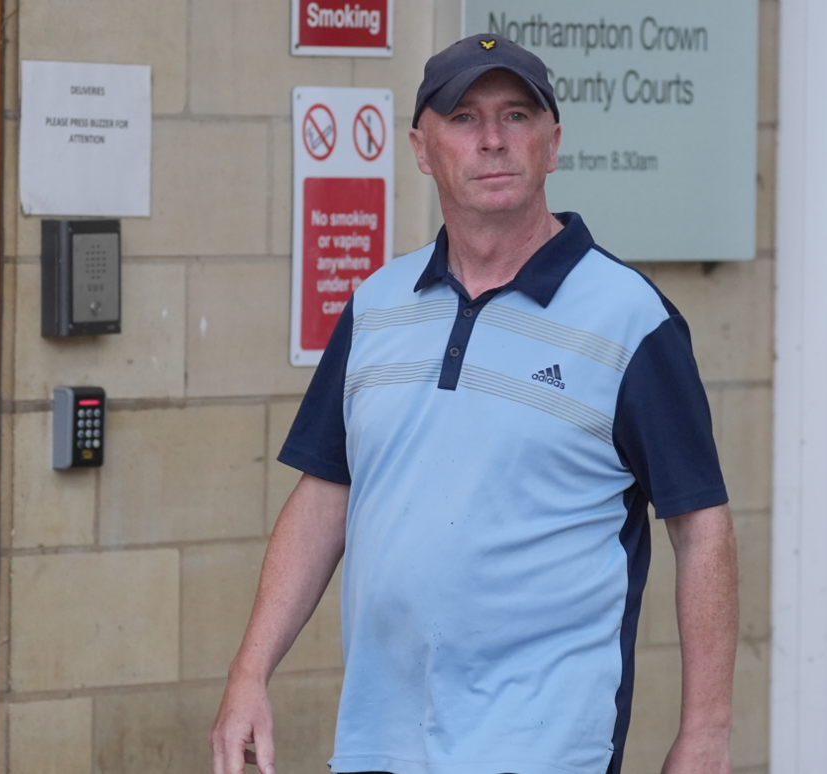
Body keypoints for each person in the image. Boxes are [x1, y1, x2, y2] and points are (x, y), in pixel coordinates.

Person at [210, 34, 738, 774]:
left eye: (517, 116)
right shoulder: (376, 305)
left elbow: (701, 527)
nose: (493, 140)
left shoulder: (629, 319)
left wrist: (706, 732)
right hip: (378, 740)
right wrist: (248, 676)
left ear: (552, 146)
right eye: (464, 117)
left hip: (546, 746)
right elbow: (325, 495)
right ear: (423, 149)